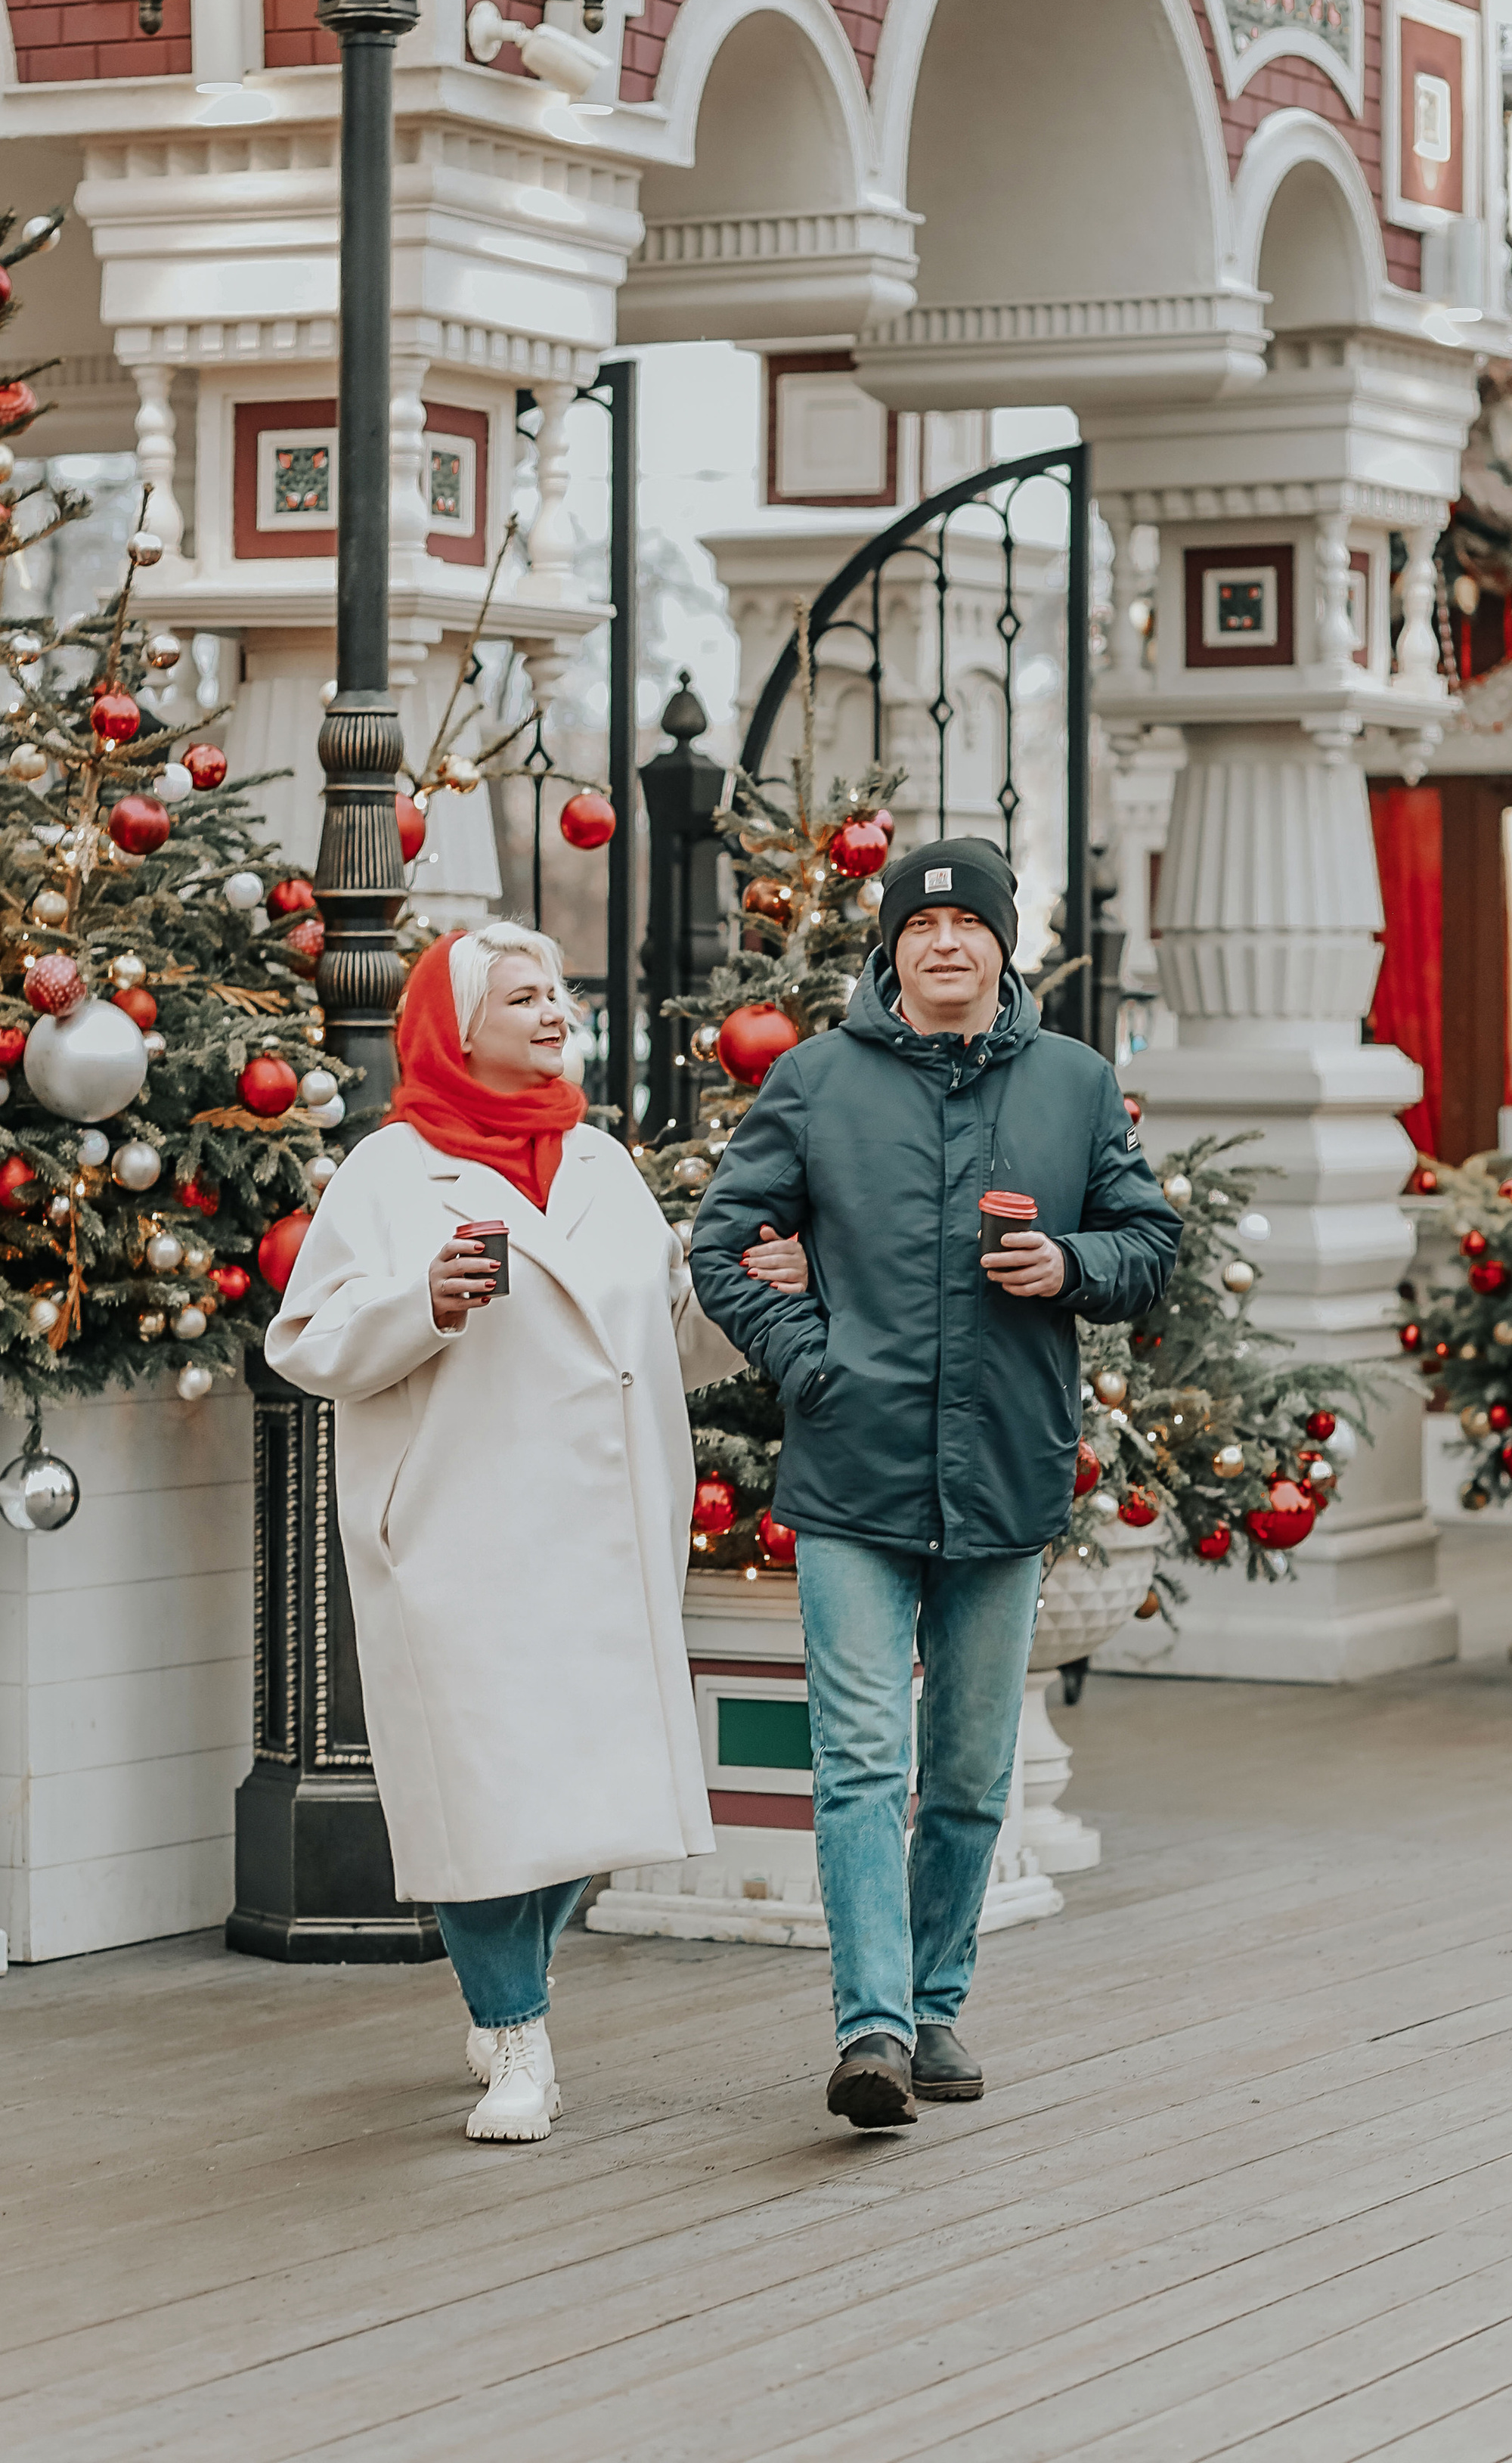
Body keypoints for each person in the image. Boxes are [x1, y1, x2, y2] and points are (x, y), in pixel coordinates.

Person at [266, 922, 804, 2144]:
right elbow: (306, 1343)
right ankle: (515, 2035)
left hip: (606, 1539)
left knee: (590, 1801)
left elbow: (664, 1338)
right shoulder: (390, 1173)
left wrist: (746, 1291)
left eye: (558, 991)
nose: (554, 1011)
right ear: (456, 1029)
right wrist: (426, 1304)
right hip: (464, 1538)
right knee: (485, 1804)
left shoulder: (603, 1163)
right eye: (522, 997)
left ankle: (504, 1988)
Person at [689, 837, 1182, 2128]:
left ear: (1002, 945)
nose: (946, 944)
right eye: (923, 926)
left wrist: (1068, 1267)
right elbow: (726, 1245)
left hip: (1006, 1470)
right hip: (854, 1467)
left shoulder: (1076, 1084)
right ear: (893, 945)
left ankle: (937, 1998)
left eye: (970, 926)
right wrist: (816, 1360)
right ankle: (873, 2030)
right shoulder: (813, 1081)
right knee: (861, 1758)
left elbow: (1150, 1246)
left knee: (967, 1773)